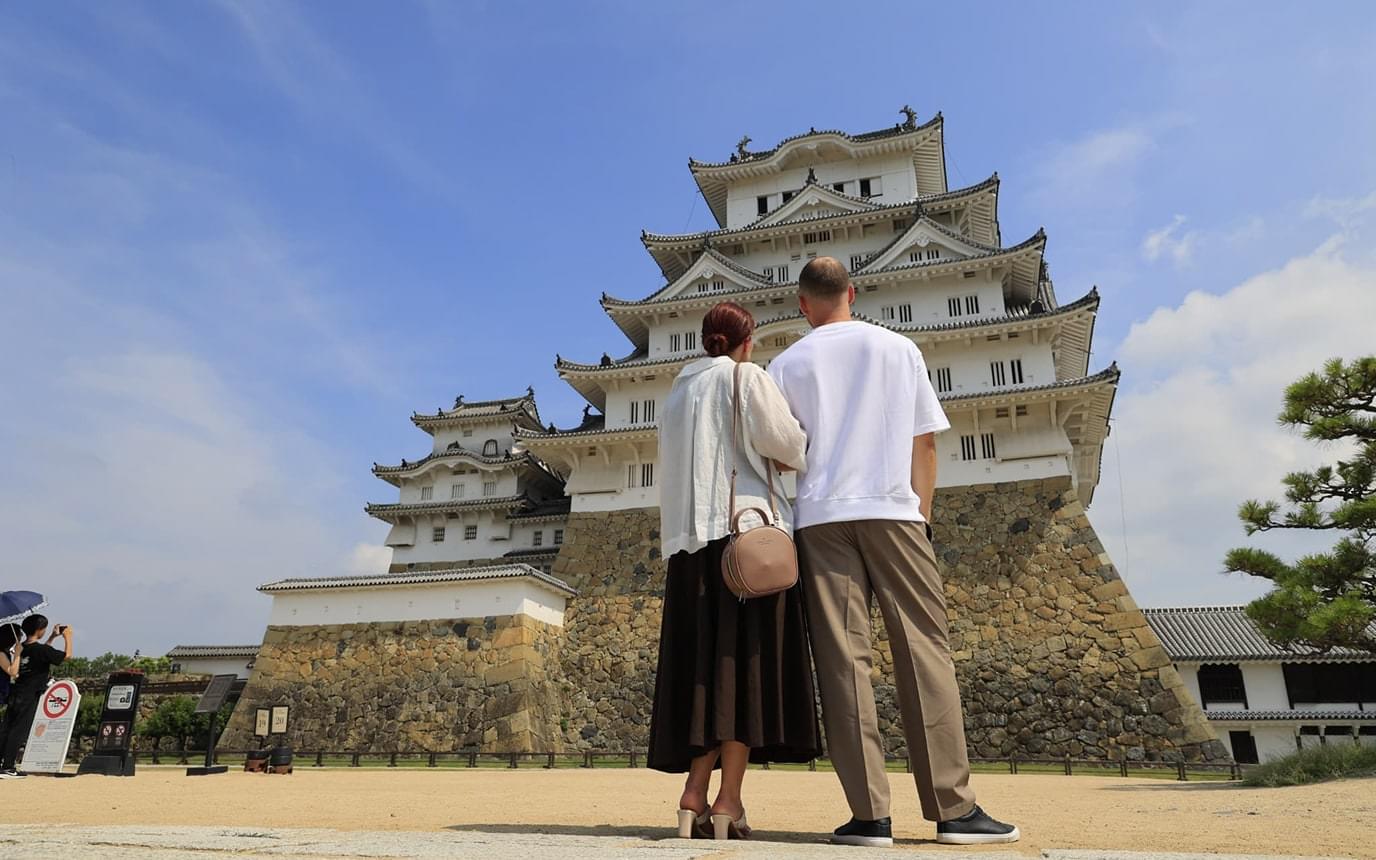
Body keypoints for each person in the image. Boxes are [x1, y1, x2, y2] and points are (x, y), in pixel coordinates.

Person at [767, 257, 1018, 846]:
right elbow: (923, 441)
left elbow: (781, 455)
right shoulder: (898, 349)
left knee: (844, 663)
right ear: (851, 293)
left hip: (822, 518)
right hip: (893, 509)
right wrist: (921, 518)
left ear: (803, 304)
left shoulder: (785, 365)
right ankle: (953, 810)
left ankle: (870, 815)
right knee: (924, 652)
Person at [648, 300, 821, 840]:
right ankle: (729, 801)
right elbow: (789, 445)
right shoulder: (747, 378)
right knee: (746, 675)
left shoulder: (677, 392)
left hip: (688, 553)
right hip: (746, 548)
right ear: (747, 342)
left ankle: (692, 796)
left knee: (707, 677)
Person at [0, 614, 72, 778]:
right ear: (40, 630)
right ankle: (8, 767)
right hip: (29, 695)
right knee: (18, 730)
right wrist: (68, 637)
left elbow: (41, 655)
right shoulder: (40, 650)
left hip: (16, 693)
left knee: (7, 728)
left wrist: (52, 637)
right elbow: (66, 656)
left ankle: (3, 765)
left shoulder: (22, 648)